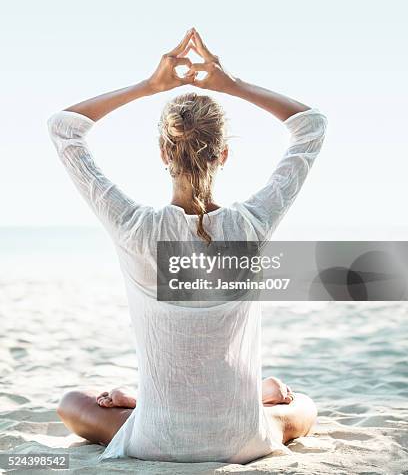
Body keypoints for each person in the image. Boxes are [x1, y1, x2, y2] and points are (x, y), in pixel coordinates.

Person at [48, 28, 327, 464]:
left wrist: (149, 86)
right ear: (224, 155)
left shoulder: (133, 228)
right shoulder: (251, 225)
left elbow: (64, 129)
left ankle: (147, 399)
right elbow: (311, 127)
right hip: (243, 439)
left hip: (158, 439)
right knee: (304, 406)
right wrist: (229, 84)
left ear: (163, 151)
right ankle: (256, 391)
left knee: (72, 402)